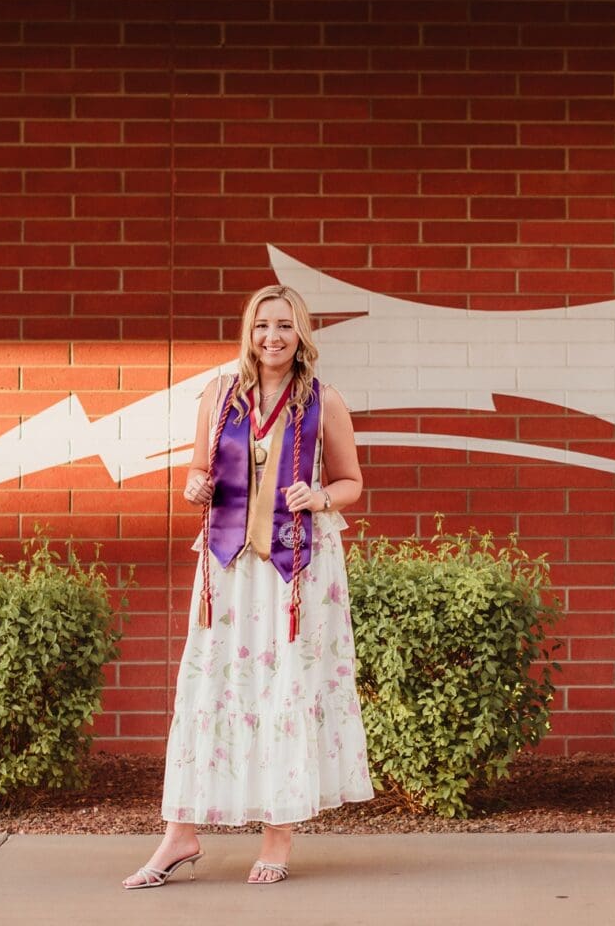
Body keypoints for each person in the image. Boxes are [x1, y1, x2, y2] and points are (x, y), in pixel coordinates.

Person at [122, 284, 374, 889]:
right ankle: (180, 835)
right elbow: (199, 468)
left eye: (285, 326)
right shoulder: (219, 394)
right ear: (248, 331)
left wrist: (319, 496)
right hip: (228, 569)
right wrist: (194, 485)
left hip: (294, 571)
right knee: (211, 687)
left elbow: (351, 482)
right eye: (263, 325)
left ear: (302, 332)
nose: (273, 337)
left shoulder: (323, 401)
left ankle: (277, 834)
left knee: (283, 686)